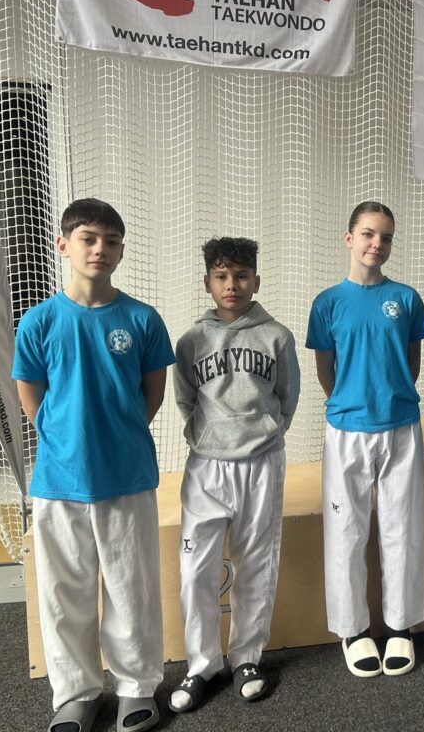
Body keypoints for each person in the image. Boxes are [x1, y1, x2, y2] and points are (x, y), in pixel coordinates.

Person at [13, 198, 173, 732]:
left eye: (111, 241)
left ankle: (135, 686)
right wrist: (67, 440)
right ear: (64, 245)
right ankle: (76, 692)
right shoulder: (39, 322)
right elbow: (32, 398)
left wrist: (116, 436)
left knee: (131, 588)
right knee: (64, 594)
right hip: (59, 480)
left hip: (126, 476)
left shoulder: (142, 319)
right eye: (88, 238)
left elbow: (151, 394)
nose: (99, 248)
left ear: (122, 251)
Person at [168, 237, 300, 712]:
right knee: (195, 570)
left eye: (241, 276)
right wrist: (212, 438)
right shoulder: (191, 341)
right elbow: (185, 400)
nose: (232, 285)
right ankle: (203, 664)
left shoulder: (277, 336)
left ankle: (247, 658)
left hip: (261, 463)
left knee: (256, 564)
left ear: (255, 281)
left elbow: (287, 397)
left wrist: (264, 434)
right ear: (208, 282)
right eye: (222, 276)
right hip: (207, 466)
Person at [305, 201, 424, 678]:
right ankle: (353, 630)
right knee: (347, 531)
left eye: (386, 237)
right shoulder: (328, 302)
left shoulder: (406, 298)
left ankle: (400, 625)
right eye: (368, 234)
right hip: (347, 430)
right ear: (349, 238)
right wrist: (350, 402)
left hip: (400, 426)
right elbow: (325, 369)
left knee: (402, 528)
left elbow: (411, 362)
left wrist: (388, 397)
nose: (377, 244)